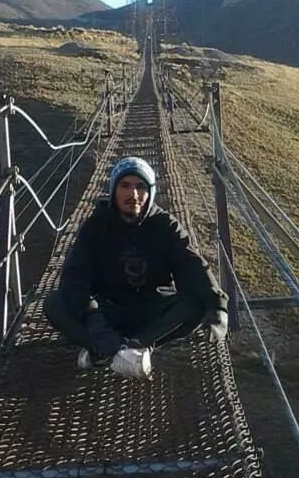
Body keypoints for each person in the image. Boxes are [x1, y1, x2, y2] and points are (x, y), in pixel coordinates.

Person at [44, 156, 229, 379]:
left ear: (150, 192)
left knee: (197, 302)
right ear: (113, 190)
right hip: (106, 311)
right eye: (125, 186)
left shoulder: (165, 225)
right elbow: (75, 277)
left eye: (141, 187)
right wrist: (95, 322)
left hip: (150, 310)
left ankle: (127, 348)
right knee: (54, 302)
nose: (133, 195)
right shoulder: (96, 225)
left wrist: (217, 306)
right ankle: (113, 349)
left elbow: (191, 265)